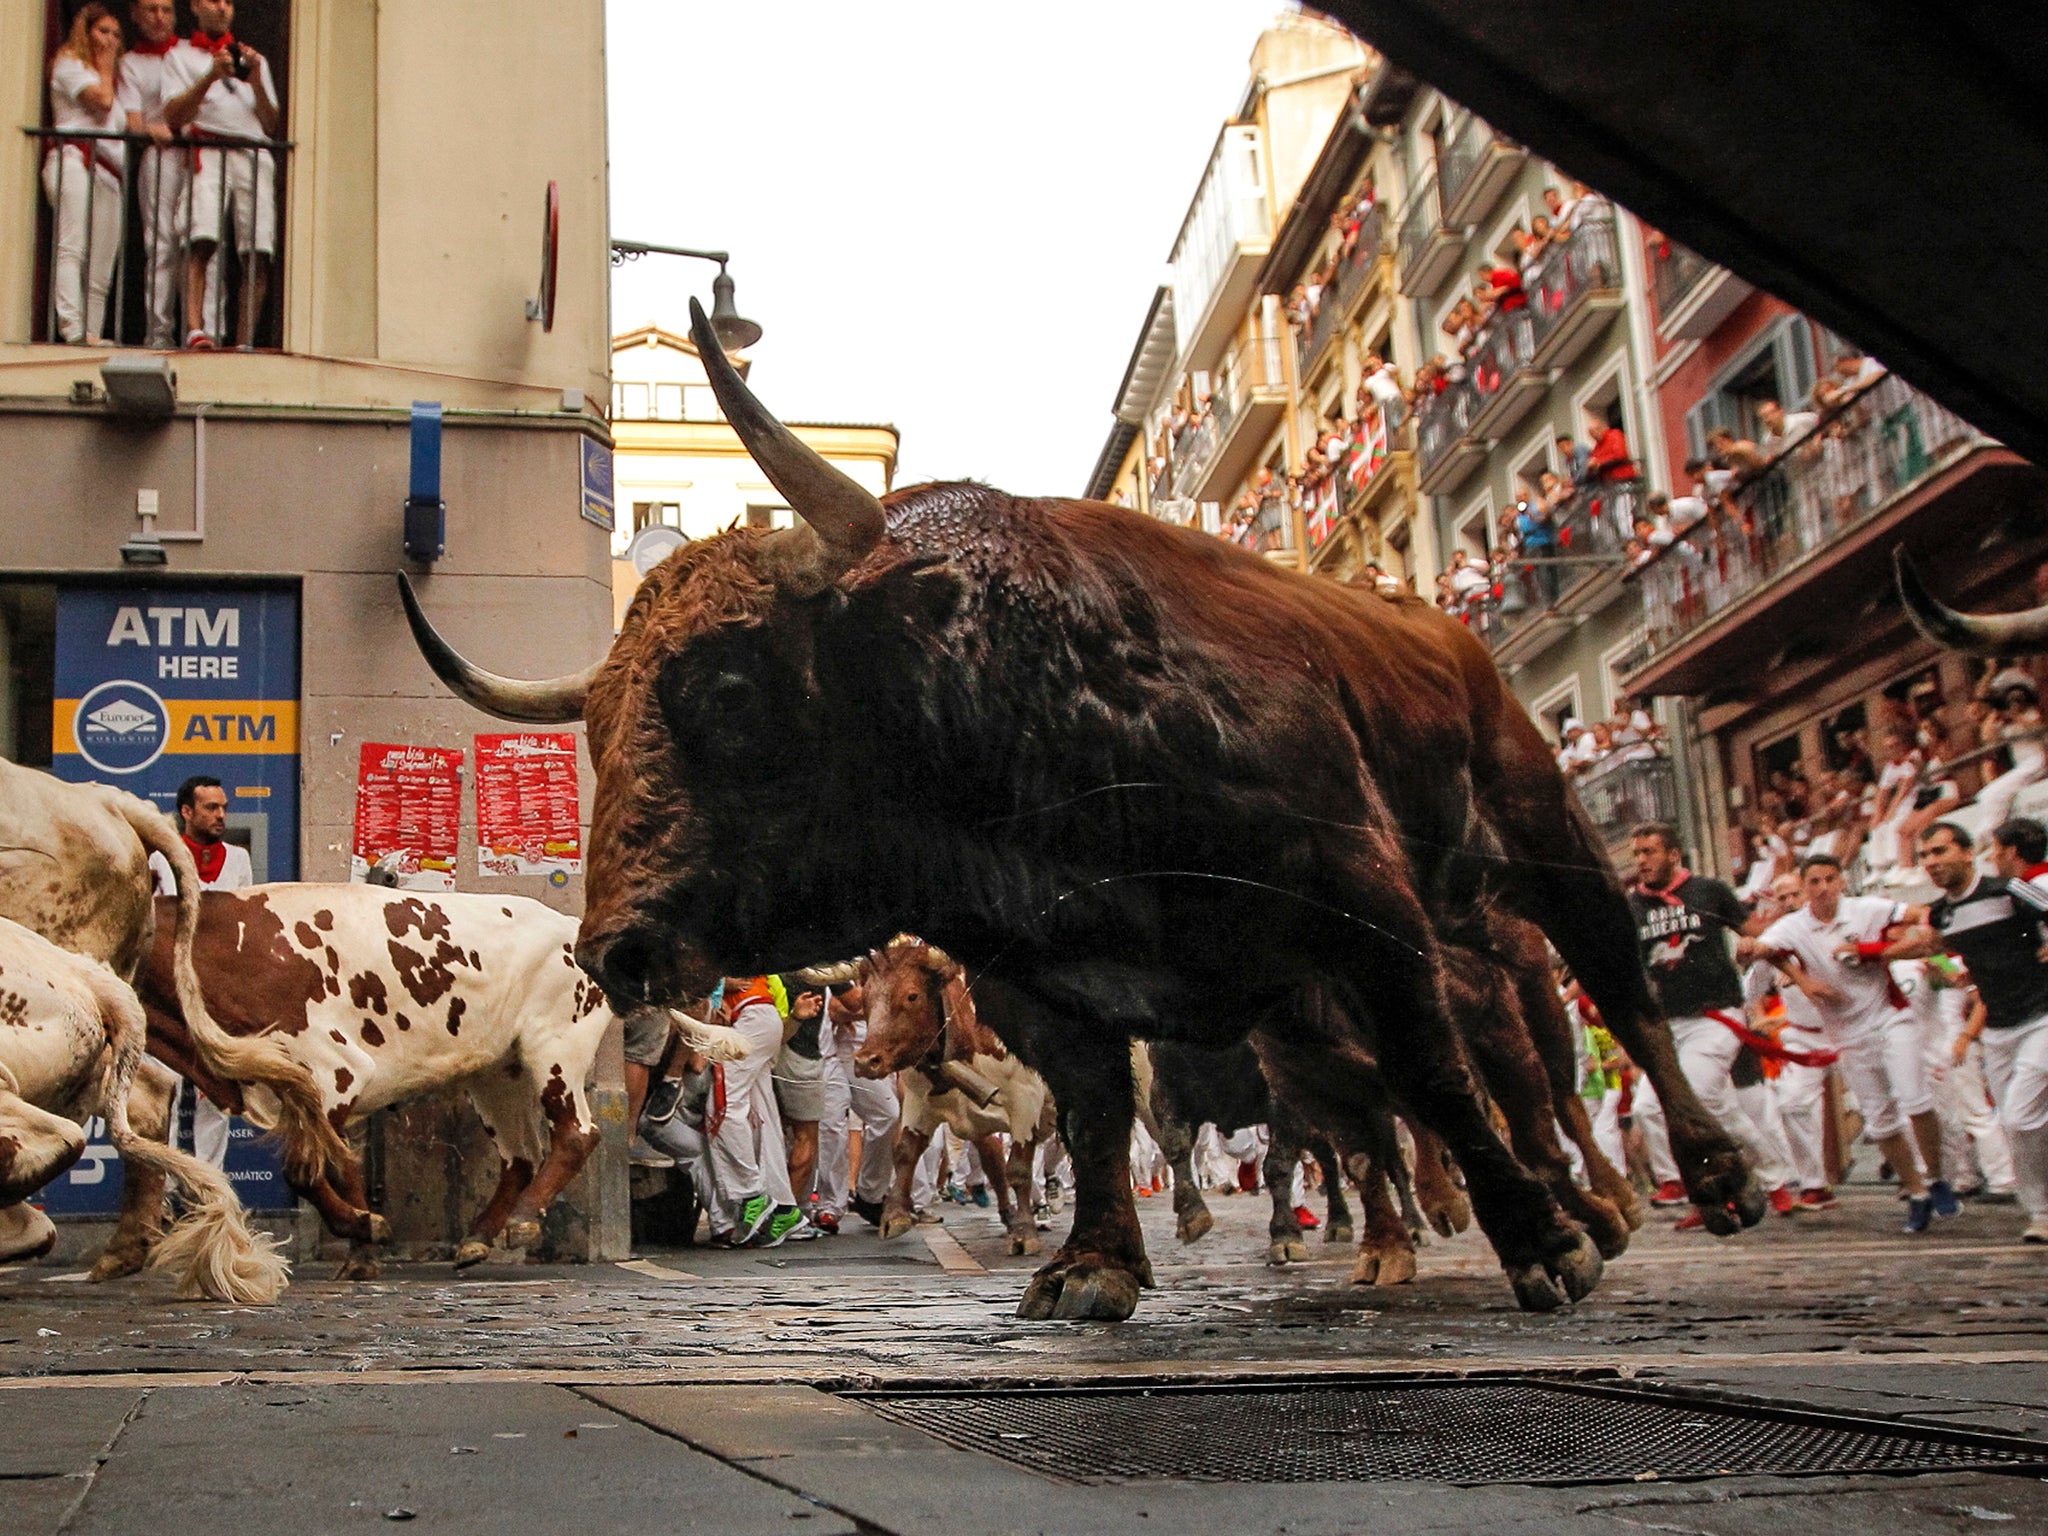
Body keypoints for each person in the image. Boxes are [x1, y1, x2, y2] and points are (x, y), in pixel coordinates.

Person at [1754, 853, 1955, 1231]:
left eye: (1830, 879)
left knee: (1915, 1097)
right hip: (1846, 1034)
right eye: (1815, 881)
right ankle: (1916, 1191)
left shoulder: (1868, 910)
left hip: (1891, 1016)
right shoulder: (1793, 927)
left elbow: (1922, 916)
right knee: (1879, 1120)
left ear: (1842, 880)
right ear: (1805, 886)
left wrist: (1877, 950)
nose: (1824, 888)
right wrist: (1802, 978)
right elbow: (1764, 950)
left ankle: (1937, 1176)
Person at [1627, 821, 1795, 1225]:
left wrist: (1763, 944)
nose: (1641, 861)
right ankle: (1751, 1181)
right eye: (1636, 854)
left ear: (1672, 854)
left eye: (1649, 852)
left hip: (1715, 1014)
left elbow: (1751, 932)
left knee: (1697, 1099)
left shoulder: (1708, 891)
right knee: (1649, 1108)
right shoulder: (1633, 906)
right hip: (1667, 1023)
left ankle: (1716, 1190)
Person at [1892, 823, 2048, 1243]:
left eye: (1940, 851)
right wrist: (1870, 953)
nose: (1931, 862)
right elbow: (1934, 946)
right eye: (1924, 855)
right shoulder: (1942, 912)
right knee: (2017, 1125)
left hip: (2041, 1017)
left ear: (1968, 853)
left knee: (2019, 1114)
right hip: (1997, 1031)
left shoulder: (2009, 890)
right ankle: (2039, 1212)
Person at [145, 775, 252, 1169]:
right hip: (169, 991)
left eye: (223, 807)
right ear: (187, 812)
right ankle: (166, 1188)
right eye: (211, 807)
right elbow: (152, 927)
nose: (221, 815)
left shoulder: (238, 859)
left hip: (217, 996)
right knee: (167, 1092)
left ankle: (210, 1190)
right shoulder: (161, 860)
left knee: (216, 1096)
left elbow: (243, 927)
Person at [163, 0, 280, 349]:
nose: (223, 8)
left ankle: (244, 339)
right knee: (201, 238)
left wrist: (257, 82)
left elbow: (271, 123)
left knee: (258, 249)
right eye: (215, 1)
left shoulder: (254, 59)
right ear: (196, 6)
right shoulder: (179, 56)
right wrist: (210, 76)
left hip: (252, 152)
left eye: (228, 2)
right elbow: (174, 116)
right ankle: (196, 328)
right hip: (209, 150)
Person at [706, 976, 813, 1246]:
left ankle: (751, 1194)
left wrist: (720, 984)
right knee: (764, 1121)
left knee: (722, 1106)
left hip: (751, 1016)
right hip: (761, 1017)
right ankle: (784, 1208)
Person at [42, 3, 126, 345]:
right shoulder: (68, 64)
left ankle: (92, 331)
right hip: (74, 159)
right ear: (85, 31)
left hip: (108, 172)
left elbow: (121, 119)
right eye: (102, 31)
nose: (109, 40)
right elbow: (101, 103)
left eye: (116, 35)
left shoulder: (110, 79)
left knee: (101, 268)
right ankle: (72, 329)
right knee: (71, 247)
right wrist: (106, 68)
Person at [119, 0, 187, 348]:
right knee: (161, 246)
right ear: (135, 14)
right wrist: (152, 127)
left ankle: (201, 332)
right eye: (151, 9)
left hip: (195, 154)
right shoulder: (131, 62)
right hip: (158, 155)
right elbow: (131, 121)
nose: (159, 17)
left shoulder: (190, 53)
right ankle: (158, 333)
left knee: (201, 244)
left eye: (166, 10)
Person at [814, 979, 899, 1233]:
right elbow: (834, 1009)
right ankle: (830, 1205)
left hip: (871, 1051)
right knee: (831, 1127)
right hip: (841, 1051)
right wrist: (885, 1008)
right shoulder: (845, 964)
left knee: (889, 1114)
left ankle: (870, 1194)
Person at [774, 977, 828, 1211]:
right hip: (800, 1054)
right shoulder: (817, 958)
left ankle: (777, 1210)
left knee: (769, 1137)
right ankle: (786, 1212)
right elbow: (852, 1001)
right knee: (805, 1137)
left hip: (762, 1049)